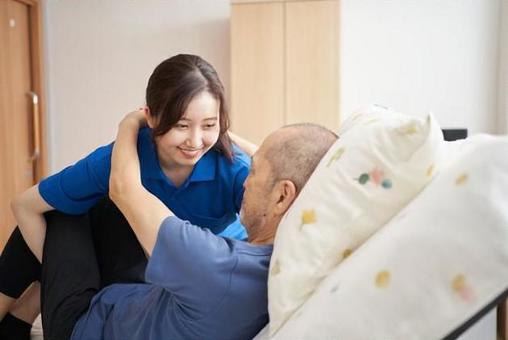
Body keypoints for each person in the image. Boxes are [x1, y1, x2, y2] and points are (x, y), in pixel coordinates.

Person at [0, 54, 256, 338]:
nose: (195, 142)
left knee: (69, 214)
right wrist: (56, 275)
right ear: (151, 117)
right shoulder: (122, 157)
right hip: (131, 265)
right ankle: (17, 318)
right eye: (182, 125)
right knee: (63, 210)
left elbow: (281, 179)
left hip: (176, 280)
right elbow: (25, 205)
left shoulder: (234, 170)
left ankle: (17, 319)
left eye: (209, 125)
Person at [37, 110, 338, 339]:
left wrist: (129, 123)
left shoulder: (216, 266)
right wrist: (216, 133)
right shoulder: (293, 259)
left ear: (283, 196)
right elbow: (300, 165)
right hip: (138, 300)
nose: (245, 180)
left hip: (86, 324)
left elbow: (123, 189)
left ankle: (17, 319)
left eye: (255, 171)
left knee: (66, 208)